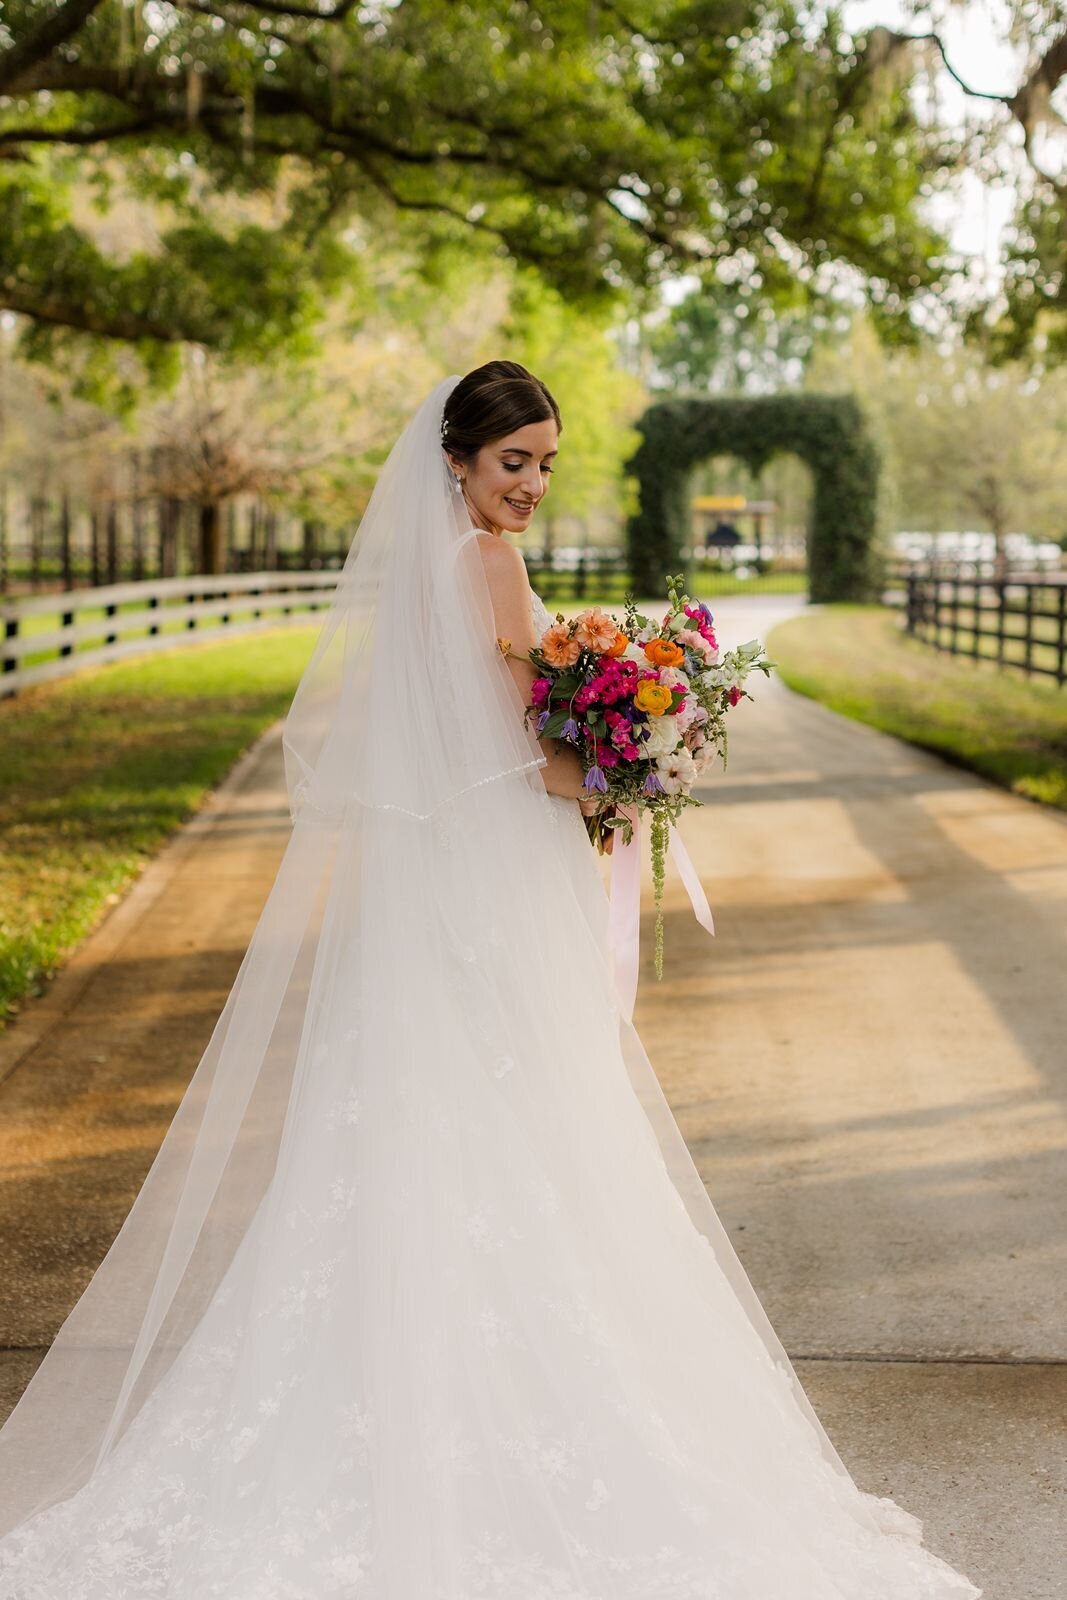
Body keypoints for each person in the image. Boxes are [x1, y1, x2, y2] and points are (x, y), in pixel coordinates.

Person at [0, 363, 981, 1598]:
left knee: (418, 1136)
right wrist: (644, 768)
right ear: (456, 461)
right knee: (535, 1128)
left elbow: (492, 735)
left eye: (544, 465)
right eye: (511, 461)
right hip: (488, 891)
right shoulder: (484, 565)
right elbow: (539, 760)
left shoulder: (426, 570)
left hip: (441, 886)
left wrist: (626, 742)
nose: (527, 486)